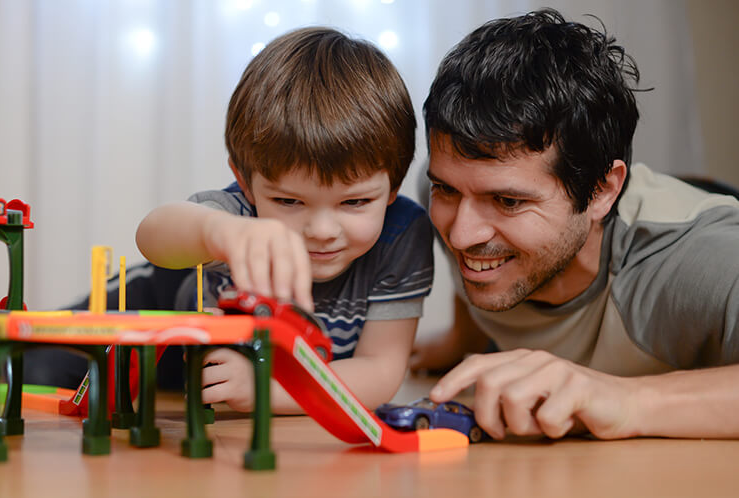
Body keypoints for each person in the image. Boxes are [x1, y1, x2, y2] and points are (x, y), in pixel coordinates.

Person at [411, 8, 739, 440]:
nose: (460, 234)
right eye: (447, 190)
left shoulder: (697, 260)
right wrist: (461, 338)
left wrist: (625, 401)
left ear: (603, 191)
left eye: (508, 201)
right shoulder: (444, 191)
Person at [136, 27, 434, 414]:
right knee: (43, 359)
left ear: (393, 185)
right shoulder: (237, 220)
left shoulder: (402, 234)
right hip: (158, 294)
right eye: (289, 201)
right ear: (244, 183)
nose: (323, 232)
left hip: (224, 380)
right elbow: (152, 234)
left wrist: (264, 392)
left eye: (355, 201)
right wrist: (221, 232)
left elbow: (379, 371)